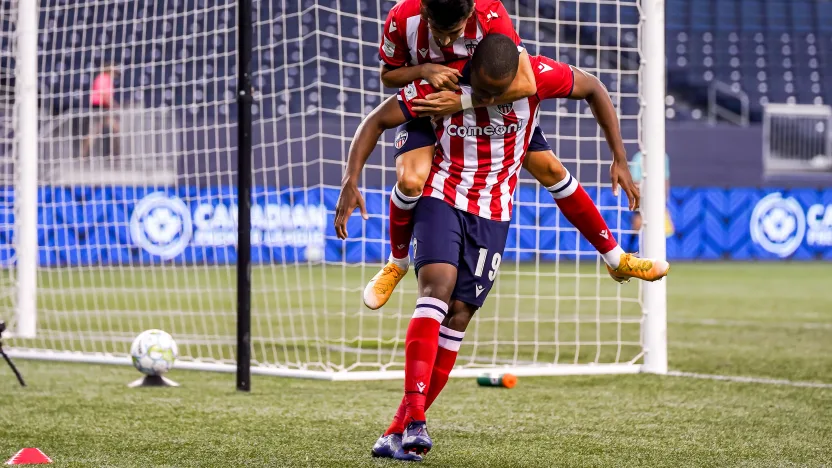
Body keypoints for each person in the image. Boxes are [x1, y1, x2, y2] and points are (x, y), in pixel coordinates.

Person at [334, 34, 670, 460]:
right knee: (435, 290)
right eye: (485, 90)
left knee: (459, 314)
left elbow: (594, 88)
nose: (491, 98)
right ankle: (416, 415)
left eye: (501, 90)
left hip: (493, 210)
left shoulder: (538, 77)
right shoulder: (444, 83)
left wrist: (619, 157)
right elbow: (377, 119)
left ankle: (396, 431)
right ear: (471, 69)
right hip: (443, 195)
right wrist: (351, 179)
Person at [363, 0, 644, 310]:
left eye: (454, 32)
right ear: (424, 12)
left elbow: (526, 82)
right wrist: (424, 70)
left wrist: (619, 157)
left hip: (485, 103)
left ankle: (615, 258)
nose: (445, 41)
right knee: (411, 180)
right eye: (438, 32)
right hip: (432, 98)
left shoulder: (492, 13)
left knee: (552, 171)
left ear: (471, 13)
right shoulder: (402, 17)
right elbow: (388, 77)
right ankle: (397, 262)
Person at [627, 151, 673, 253]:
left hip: (657, 197)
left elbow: (665, 179)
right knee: (638, 223)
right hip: (641, 195)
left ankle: (656, 251)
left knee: (659, 224)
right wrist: (639, 197)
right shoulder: (639, 157)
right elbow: (635, 181)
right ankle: (631, 250)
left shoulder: (663, 157)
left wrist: (664, 197)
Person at [82, 63, 121, 158]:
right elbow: (105, 95)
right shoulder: (103, 78)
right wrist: (114, 105)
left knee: (115, 129)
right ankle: (84, 155)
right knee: (94, 132)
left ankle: (115, 154)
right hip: (99, 107)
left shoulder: (104, 79)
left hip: (103, 107)